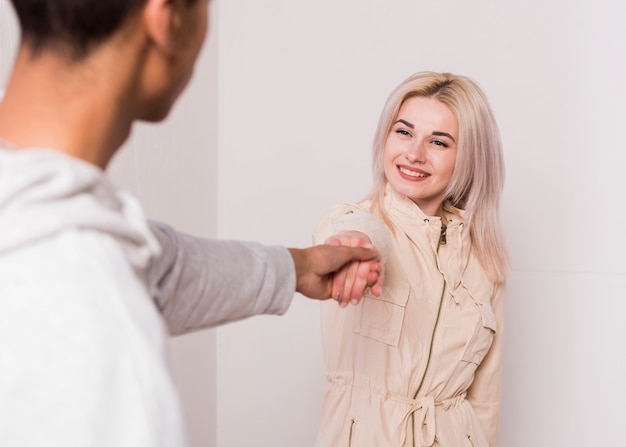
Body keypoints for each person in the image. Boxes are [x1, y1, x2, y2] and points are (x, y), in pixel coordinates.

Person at [0, 0, 384, 445]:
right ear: (167, 18)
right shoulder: (97, 330)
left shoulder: (34, 206)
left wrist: (295, 266)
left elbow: (156, 267)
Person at [313, 71, 510, 447]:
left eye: (438, 141)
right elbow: (346, 233)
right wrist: (351, 247)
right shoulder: (359, 221)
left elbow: (486, 399)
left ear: (468, 157)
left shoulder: (486, 259)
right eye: (403, 132)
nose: (414, 153)